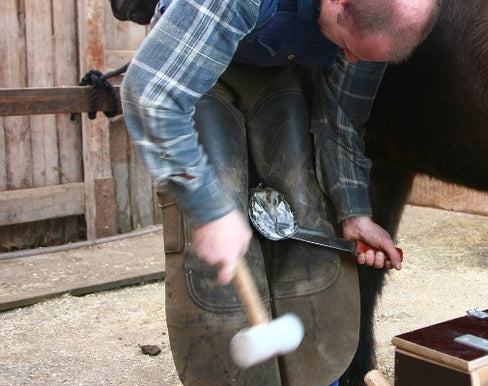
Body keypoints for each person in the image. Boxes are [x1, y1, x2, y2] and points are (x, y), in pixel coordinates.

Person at [120, 0, 436, 384]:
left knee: (306, 221)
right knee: (219, 236)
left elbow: (342, 118)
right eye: (350, 48)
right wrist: (209, 211)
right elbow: (151, 94)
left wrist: (355, 213)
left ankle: (317, 377)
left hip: (280, 69)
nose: (350, 62)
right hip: (196, 70)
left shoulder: (365, 32)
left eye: (364, 56)